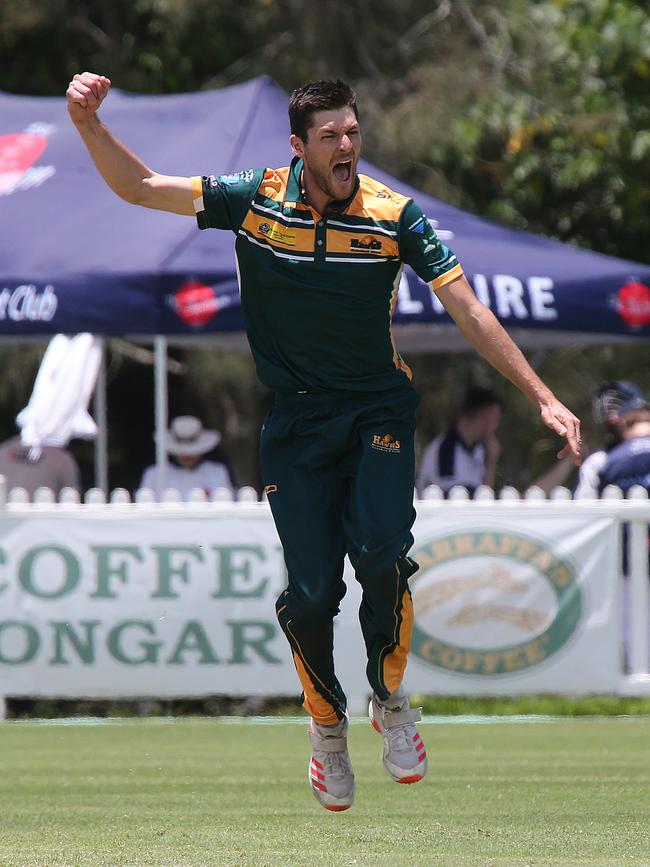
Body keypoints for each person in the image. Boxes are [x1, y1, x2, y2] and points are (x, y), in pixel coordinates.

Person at [66, 72, 581, 812]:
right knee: (311, 592)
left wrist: (542, 395)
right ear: (299, 147)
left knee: (379, 552)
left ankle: (390, 698)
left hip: (377, 407)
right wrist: (88, 124)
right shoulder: (256, 198)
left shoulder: (394, 215)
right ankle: (327, 724)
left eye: (353, 131)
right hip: (296, 420)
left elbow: (467, 308)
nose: (347, 146)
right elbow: (142, 186)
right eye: (332, 135)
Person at [416, 386, 503, 496]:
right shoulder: (447, 447)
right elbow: (452, 495)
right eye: (497, 419)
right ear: (486, 416)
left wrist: (491, 460)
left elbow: (484, 496)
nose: (497, 425)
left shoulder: (477, 450)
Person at [138, 415, 235, 500]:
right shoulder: (155, 474)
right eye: (181, 451)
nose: (187, 456)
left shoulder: (217, 472)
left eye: (192, 451)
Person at [0, 435, 80, 497]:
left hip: (5, 515)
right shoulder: (62, 458)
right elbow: (72, 496)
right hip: (44, 516)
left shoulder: (3, 450)